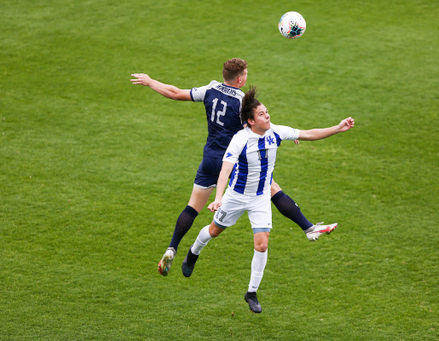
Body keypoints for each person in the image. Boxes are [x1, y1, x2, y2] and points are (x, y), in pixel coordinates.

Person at [130, 59, 337, 277]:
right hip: (234, 159)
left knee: (192, 207)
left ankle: (172, 247)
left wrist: (150, 81)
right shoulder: (243, 101)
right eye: (246, 74)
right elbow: (258, 121)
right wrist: (288, 134)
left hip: (210, 158)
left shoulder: (210, 89)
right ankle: (308, 227)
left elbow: (174, 92)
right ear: (240, 79)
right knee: (270, 187)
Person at [182, 86, 355, 313]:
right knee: (214, 231)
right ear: (251, 121)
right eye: (262, 114)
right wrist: (219, 198)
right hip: (236, 197)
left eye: (267, 112)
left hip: (261, 198)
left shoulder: (276, 132)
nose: (268, 116)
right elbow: (224, 172)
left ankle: (251, 292)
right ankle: (193, 252)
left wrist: (338, 128)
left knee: (262, 245)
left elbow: (309, 133)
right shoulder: (240, 140)